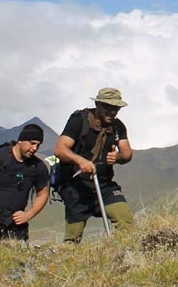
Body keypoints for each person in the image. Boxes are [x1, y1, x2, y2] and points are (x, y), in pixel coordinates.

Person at [53, 88, 134, 242]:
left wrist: (118, 157)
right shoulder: (79, 120)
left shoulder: (118, 127)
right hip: (76, 186)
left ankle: (125, 257)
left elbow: (127, 153)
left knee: (125, 220)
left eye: (116, 108)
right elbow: (60, 149)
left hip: (104, 184)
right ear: (98, 104)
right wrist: (80, 161)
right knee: (73, 238)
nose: (112, 112)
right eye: (108, 108)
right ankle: (69, 261)